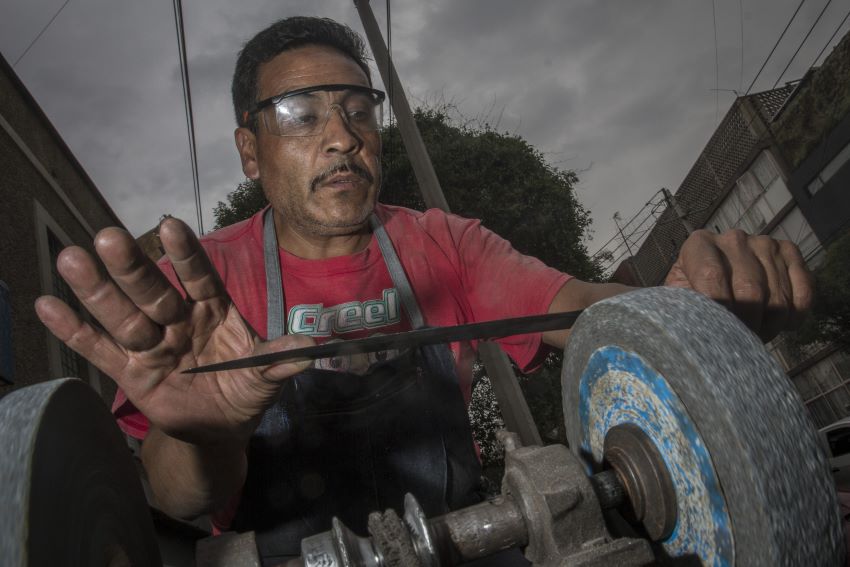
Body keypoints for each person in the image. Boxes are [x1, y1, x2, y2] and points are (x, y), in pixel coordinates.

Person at [35, 16, 813, 565]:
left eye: (356, 109)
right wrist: (206, 432)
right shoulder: (200, 289)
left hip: (472, 538)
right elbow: (172, 502)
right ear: (249, 149)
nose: (340, 135)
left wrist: (671, 310)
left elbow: (577, 308)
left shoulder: (444, 243)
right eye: (300, 113)